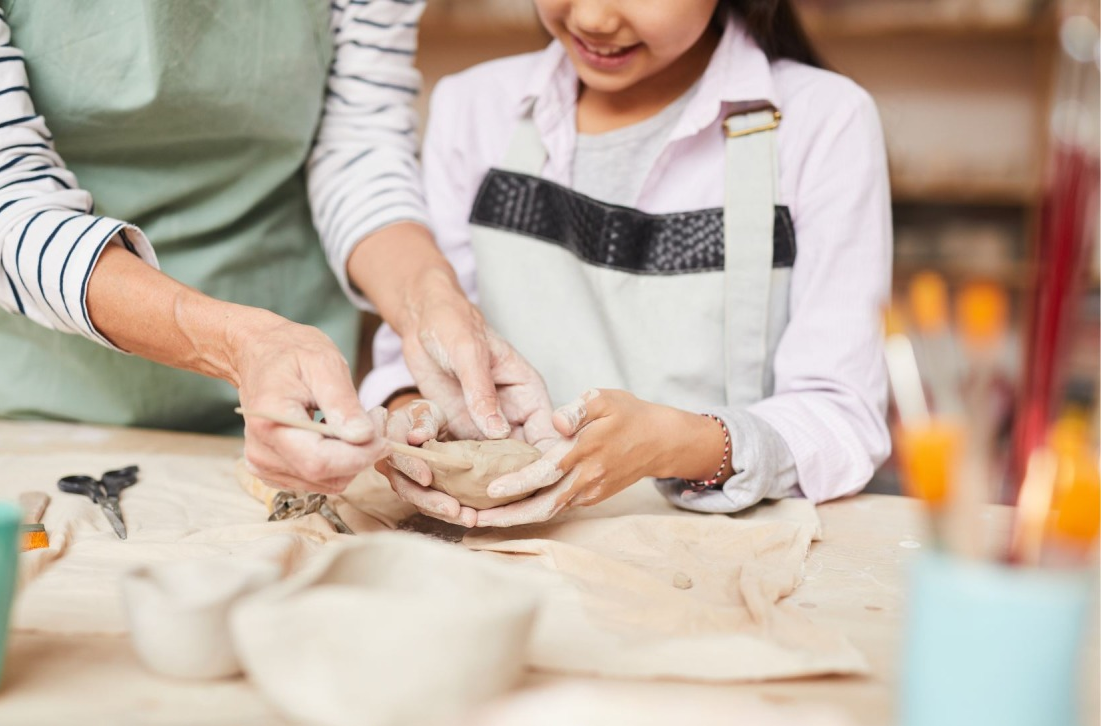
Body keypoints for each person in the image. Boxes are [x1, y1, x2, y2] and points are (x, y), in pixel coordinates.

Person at [0, 0, 554, 499]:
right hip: (5, 388)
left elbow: (359, 145)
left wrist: (430, 302)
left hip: (279, 395)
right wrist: (239, 342)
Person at [366, 0, 892, 526]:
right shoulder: (474, 108)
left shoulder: (824, 122)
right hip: (501, 550)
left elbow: (841, 414)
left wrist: (675, 445)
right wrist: (415, 415)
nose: (593, 18)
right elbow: (415, 351)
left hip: (709, 557)